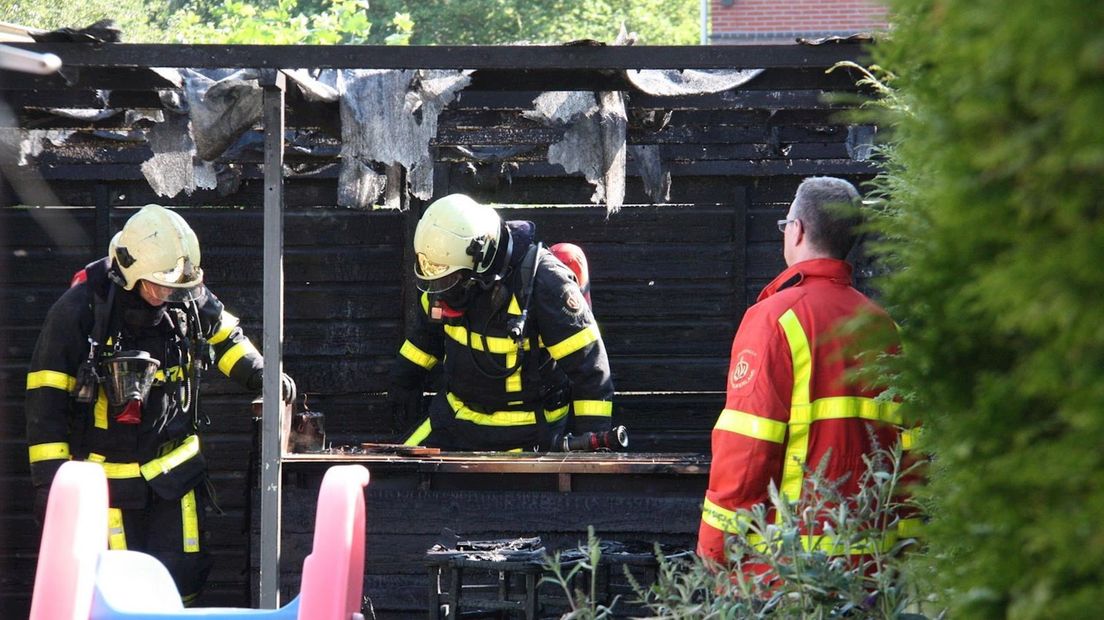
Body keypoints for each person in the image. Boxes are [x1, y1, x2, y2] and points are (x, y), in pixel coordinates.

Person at [24, 204, 289, 604]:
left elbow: (225, 337)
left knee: (184, 581)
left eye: (176, 287)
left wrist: (263, 374)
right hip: (108, 489)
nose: (168, 294)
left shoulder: (182, 288)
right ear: (130, 271)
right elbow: (46, 403)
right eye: (158, 286)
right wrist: (52, 487)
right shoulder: (80, 311)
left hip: (176, 479)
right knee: (118, 593)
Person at [697, 177, 911, 567]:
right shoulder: (885, 328)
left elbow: (747, 447)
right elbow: (910, 452)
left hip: (787, 571)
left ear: (796, 230)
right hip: (873, 570)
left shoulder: (773, 319)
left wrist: (715, 545)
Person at [389, 194, 614, 451]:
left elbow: (591, 372)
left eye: (448, 280)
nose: (439, 290)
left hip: (527, 432)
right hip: (454, 419)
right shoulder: (447, 280)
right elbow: (427, 337)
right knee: (391, 473)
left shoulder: (545, 284)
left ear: (480, 262)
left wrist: (592, 452)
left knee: (499, 492)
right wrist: (403, 380)